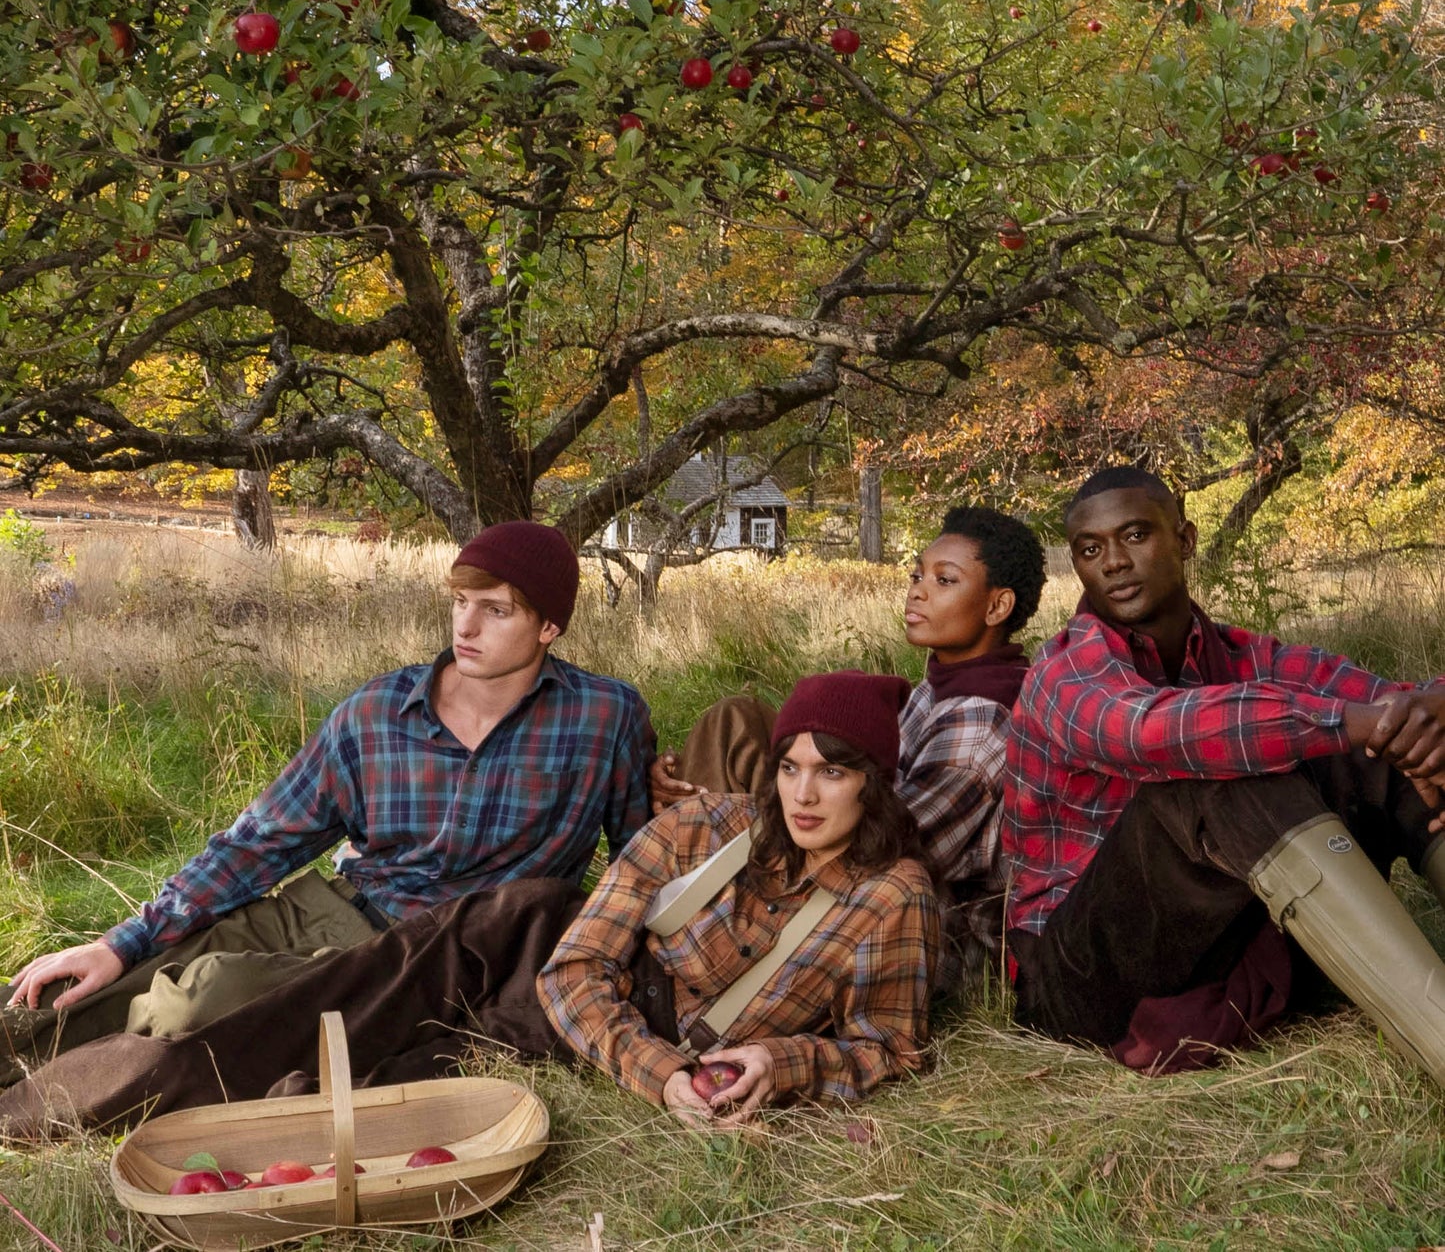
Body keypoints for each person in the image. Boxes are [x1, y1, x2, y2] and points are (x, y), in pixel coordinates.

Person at [0, 671, 938, 1140]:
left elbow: (888, 1043)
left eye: (834, 771)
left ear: (876, 784)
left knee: (362, 1082)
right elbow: (577, 962)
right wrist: (660, 1075)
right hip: (535, 939)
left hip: (604, 1019)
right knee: (318, 1009)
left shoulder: (892, 899)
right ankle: (29, 1108)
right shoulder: (713, 826)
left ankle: (144, 1099)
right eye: (789, 767)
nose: (804, 794)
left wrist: (781, 1060)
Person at [0, 521, 653, 1083]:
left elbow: (640, 856)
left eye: (496, 609)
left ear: (549, 625)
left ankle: (73, 1086)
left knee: (194, 1004)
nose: (466, 624)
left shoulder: (604, 718)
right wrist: (122, 942)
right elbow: (259, 843)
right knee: (63, 994)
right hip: (326, 909)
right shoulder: (375, 713)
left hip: (433, 958)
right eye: (459, 601)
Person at [1003, 465, 1445, 1079]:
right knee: (1221, 771)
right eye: (1089, 549)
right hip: (1076, 974)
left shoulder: (1243, 655)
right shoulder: (1063, 672)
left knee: (1380, 751)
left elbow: (1388, 706)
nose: (1113, 562)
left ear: (1184, 540)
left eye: (1135, 535)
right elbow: (1150, 731)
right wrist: (1363, 721)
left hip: (1216, 938)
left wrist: (1426, 713)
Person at [651, 504, 1045, 993]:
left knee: (719, 804)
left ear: (996, 607)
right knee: (736, 720)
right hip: (850, 863)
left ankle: (691, 929)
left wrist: (708, 812)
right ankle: (689, 904)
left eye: (945, 581)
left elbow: (886, 849)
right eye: (917, 573)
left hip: (921, 927)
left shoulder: (986, 717)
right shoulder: (937, 686)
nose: (917, 590)